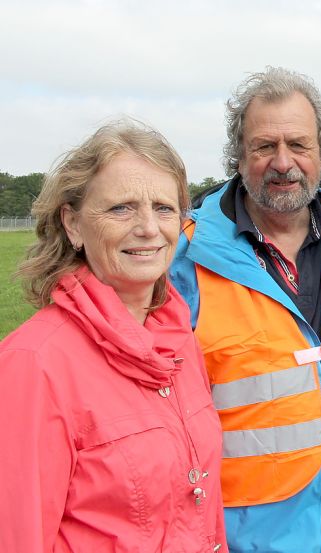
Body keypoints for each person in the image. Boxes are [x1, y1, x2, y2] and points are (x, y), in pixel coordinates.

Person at [169, 67, 321, 553]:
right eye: (264, 147)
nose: (284, 163)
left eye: (299, 145)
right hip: (245, 541)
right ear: (238, 158)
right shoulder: (183, 259)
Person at [0, 120, 226, 552]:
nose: (148, 228)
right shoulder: (33, 365)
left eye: (163, 208)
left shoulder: (179, 341)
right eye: (121, 208)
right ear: (73, 224)